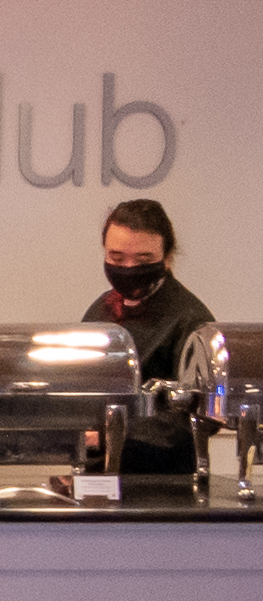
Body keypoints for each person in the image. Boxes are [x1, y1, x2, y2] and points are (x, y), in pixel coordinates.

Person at [82, 198, 214, 474]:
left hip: (161, 481)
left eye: (143, 260)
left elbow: (201, 415)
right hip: (97, 471)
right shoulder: (100, 308)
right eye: (116, 258)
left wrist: (111, 435)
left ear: (167, 258)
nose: (128, 268)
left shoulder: (191, 320)